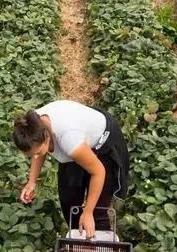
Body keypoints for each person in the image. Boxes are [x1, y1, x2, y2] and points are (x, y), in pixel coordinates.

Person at [13, 100, 130, 238]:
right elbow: (36, 151)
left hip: (102, 143)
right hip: (77, 139)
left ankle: (98, 239)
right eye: (32, 155)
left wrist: (88, 211)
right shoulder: (32, 126)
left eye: (38, 152)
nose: (36, 156)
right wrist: (31, 181)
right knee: (69, 201)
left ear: (46, 137)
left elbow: (99, 171)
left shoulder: (69, 139)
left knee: (97, 210)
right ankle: (78, 237)